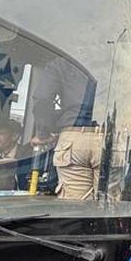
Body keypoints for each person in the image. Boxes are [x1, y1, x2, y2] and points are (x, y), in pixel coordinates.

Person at [30, 59, 100, 200]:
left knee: (76, 205)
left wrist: (43, 133)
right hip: (110, 133)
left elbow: (43, 99)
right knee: (112, 204)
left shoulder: (62, 62)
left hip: (73, 138)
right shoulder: (117, 54)